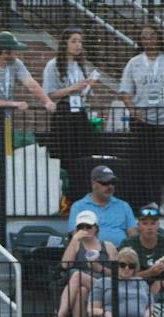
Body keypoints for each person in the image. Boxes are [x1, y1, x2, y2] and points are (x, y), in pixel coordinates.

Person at [118, 25, 164, 214]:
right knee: (147, 161)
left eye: (152, 36)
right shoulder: (134, 62)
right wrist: (133, 110)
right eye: (144, 37)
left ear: (158, 38)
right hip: (144, 121)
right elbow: (125, 91)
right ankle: (151, 200)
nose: (148, 40)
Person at [41, 210, 116, 317]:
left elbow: (119, 273)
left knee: (77, 275)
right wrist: (75, 239)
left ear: (96, 228)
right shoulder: (76, 244)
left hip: (105, 287)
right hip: (86, 290)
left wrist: (99, 267)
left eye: (88, 226)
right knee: (80, 292)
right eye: (81, 227)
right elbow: (65, 265)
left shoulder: (108, 246)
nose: (85, 230)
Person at [42, 28, 99, 201]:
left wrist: (87, 86)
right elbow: (50, 93)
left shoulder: (80, 65)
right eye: (74, 41)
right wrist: (73, 88)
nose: (78, 45)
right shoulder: (53, 65)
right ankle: (66, 196)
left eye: (80, 42)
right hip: (64, 113)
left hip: (79, 111)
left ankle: (81, 192)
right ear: (65, 43)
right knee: (65, 153)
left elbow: (81, 92)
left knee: (83, 154)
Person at [0, 31, 55, 115]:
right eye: (15, 50)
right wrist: (14, 104)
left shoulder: (15, 63)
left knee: (7, 127)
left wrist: (47, 101)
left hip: (6, 114)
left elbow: (30, 83)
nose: (17, 53)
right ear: (5, 52)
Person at [119, 203, 164, 298]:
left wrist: (161, 283)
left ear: (158, 225)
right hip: (135, 285)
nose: (149, 227)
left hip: (163, 285)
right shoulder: (128, 243)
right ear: (138, 226)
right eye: (145, 224)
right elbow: (122, 274)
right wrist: (149, 273)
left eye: (153, 223)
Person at [66, 164, 136, 247]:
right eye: (105, 183)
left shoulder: (124, 206)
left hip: (121, 254)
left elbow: (133, 236)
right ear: (94, 183)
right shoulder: (78, 207)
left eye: (112, 183)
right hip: (91, 254)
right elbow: (76, 236)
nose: (110, 186)